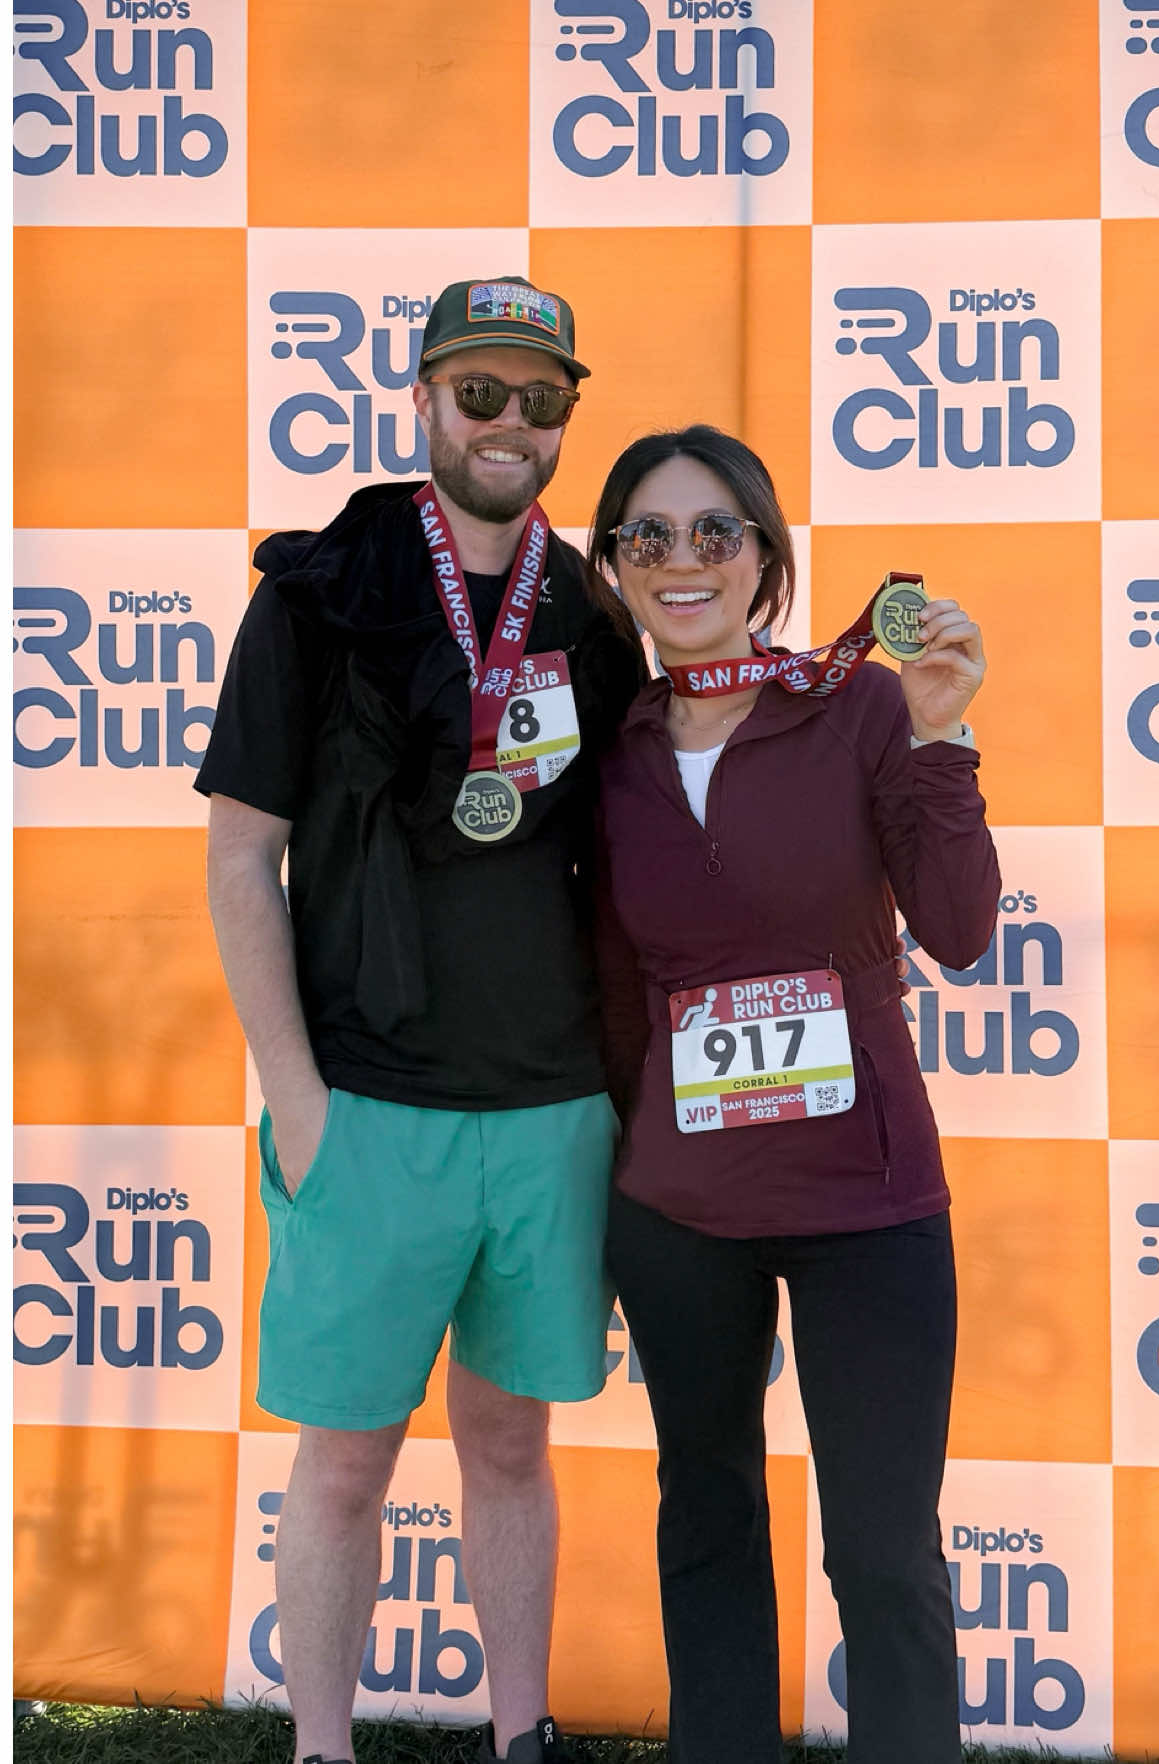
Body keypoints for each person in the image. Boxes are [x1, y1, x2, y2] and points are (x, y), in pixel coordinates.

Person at [196, 276, 645, 1764]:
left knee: (512, 1447)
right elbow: (240, 858)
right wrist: (297, 1099)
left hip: (550, 1110)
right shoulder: (319, 590)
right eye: (480, 392)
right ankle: (321, 1748)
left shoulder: (591, 610)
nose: (511, 422)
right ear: (425, 401)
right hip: (368, 1108)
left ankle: (521, 1736)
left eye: (541, 398)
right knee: (343, 1464)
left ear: (566, 417)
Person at [587, 425, 1000, 1764]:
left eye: (717, 531)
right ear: (615, 569)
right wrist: (618, 1180)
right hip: (678, 1213)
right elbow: (613, 999)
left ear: (764, 557)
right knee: (706, 1524)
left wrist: (941, 733)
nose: (684, 559)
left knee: (883, 1553)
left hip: (867, 1205)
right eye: (649, 535)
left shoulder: (861, 706)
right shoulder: (608, 750)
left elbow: (959, 931)